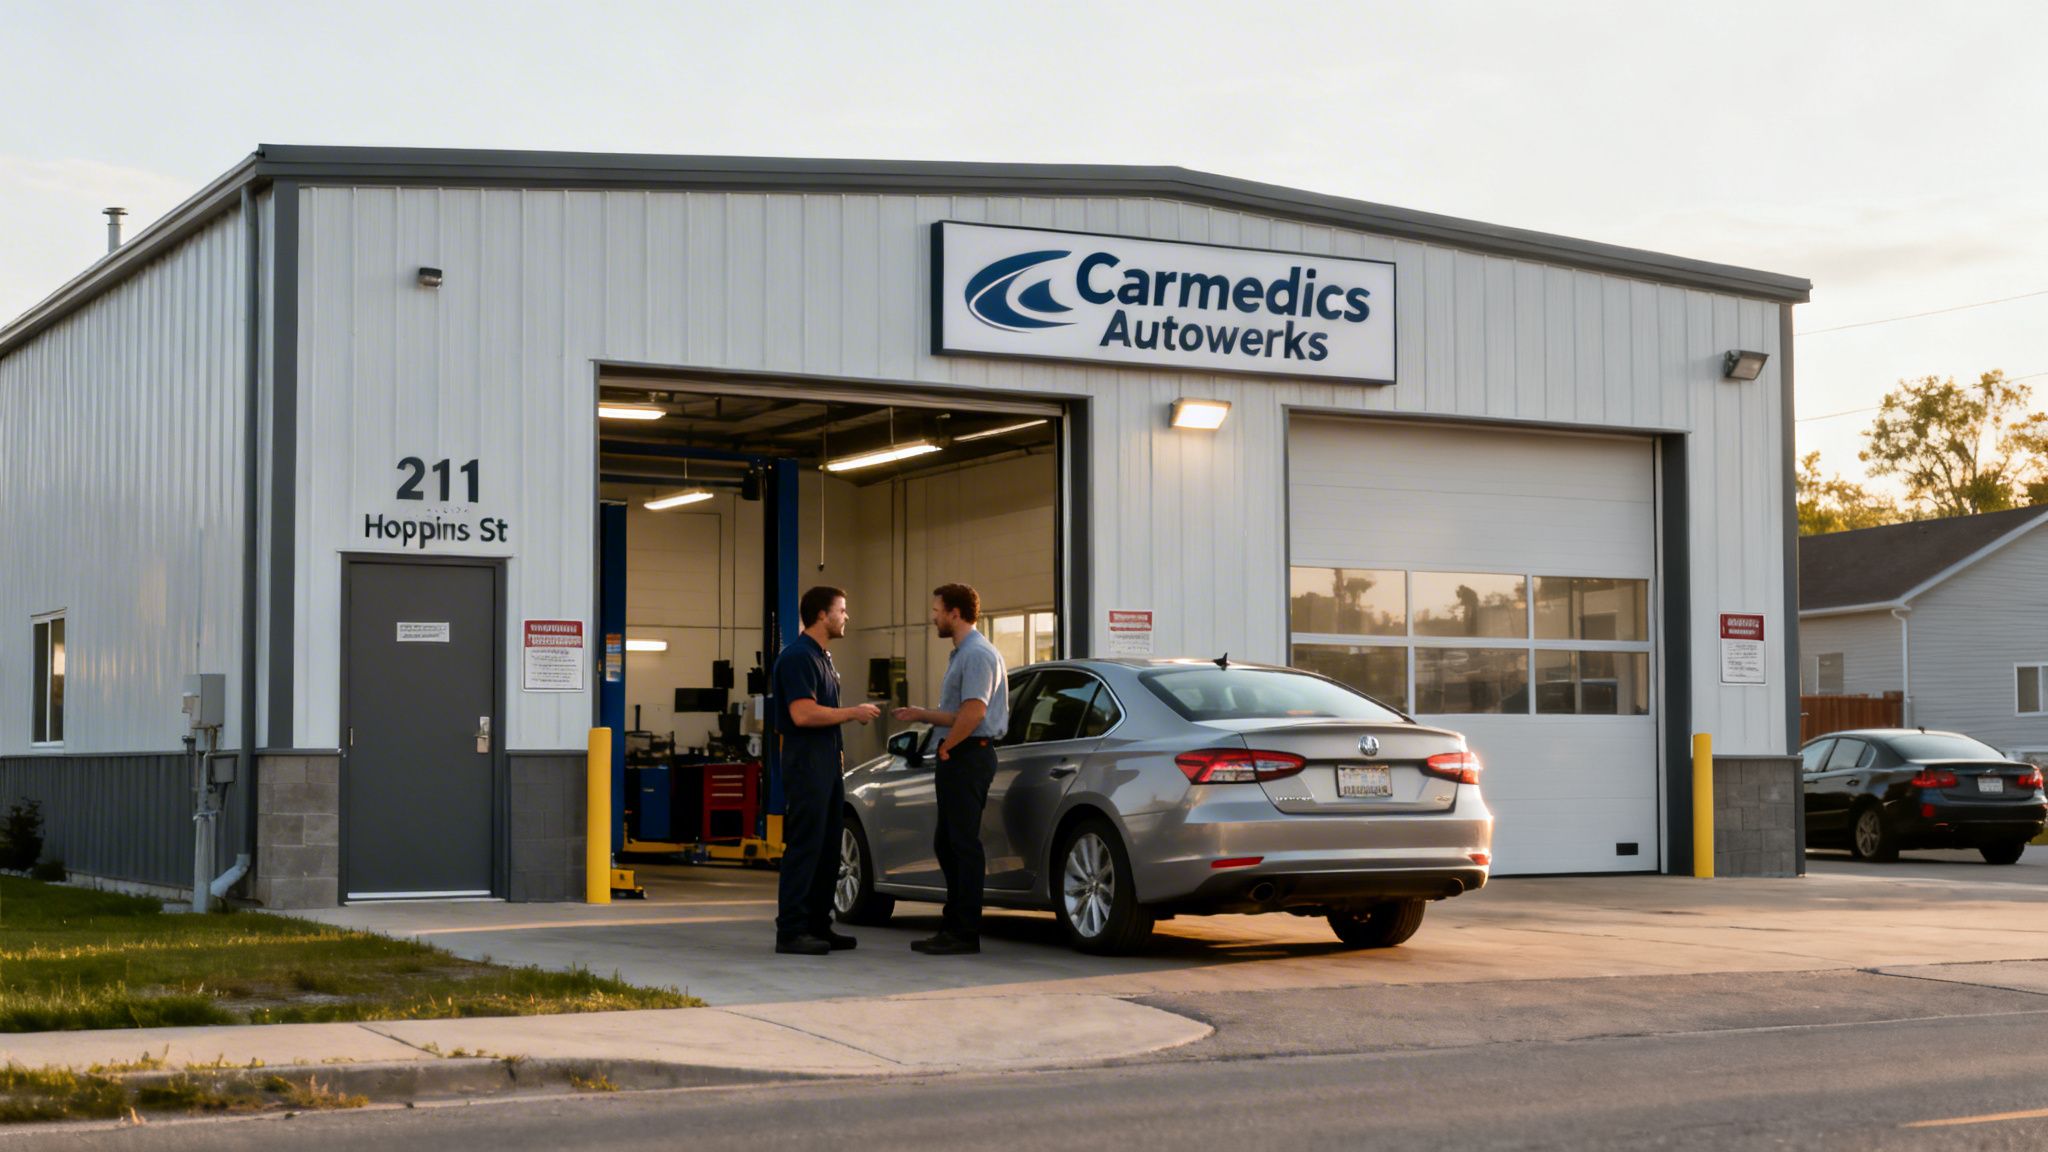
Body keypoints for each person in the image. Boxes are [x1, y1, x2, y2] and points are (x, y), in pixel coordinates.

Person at [892, 583, 1008, 955]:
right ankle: (953, 925)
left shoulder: (976, 655)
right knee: (949, 842)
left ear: (955, 613)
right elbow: (960, 712)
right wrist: (922, 715)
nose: (934, 617)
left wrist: (948, 747)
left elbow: (974, 713)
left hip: (968, 756)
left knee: (962, 844)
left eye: (938, 610)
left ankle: (964, 931)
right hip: (961, 752)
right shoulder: (962, 654)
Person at [770, 586, 880, 956]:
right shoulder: (798, 658)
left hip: (828, 768)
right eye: (841, 610)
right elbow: (803, 714)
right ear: (821, 614)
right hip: (807, 769)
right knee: (806, 848)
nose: (846, 616)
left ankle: (819, 924)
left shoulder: (823, 657)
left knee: (828, 848)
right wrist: (853, 712)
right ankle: (792, 931)